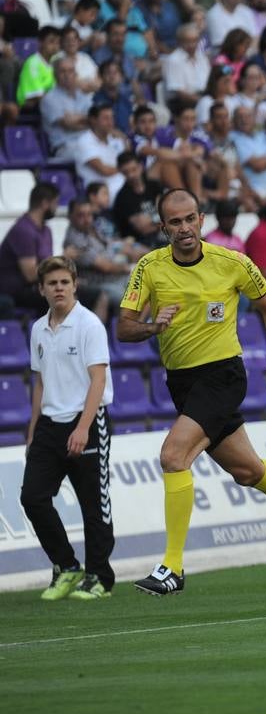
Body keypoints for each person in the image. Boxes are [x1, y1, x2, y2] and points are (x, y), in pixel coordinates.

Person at [117, 189, 266, 596]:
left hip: (223, 375)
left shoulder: (233, 262)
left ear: (202, 219)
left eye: (190, 218)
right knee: (249, 471)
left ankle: (173, 566)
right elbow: (124, 327)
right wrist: (154, 327)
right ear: (163, 227)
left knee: (173, 457)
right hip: (182, 383)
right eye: (175, 222)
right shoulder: (149, 268)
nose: (184, 228)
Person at [22, 257, 115, 601]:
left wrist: (83, 428)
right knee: (32, 497)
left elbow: (98, 379)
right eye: (52, 283)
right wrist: (33, 432)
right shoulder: (38, 329)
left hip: (86, 421)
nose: (59, 288)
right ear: (42, 289)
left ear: (75, 285)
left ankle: (100, 578)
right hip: (49, 425)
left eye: (64, 282)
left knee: (94, 505)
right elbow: (40, 383)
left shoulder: (89, 325)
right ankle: (66, 566)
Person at [63, 196, 133, 312]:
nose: (87, 219)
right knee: (134, 300)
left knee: (152, 285)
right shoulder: (74, 239)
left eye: (89, 214)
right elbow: (106, 267)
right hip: (98, 284)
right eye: (81, 215)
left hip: (115, 277)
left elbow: (110, 246)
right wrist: (130, 268)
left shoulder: (91, 230)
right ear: (70, 217)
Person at [0, 182, 59, 314]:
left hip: (35, 287)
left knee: (74, 292)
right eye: (55, 203)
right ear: (45, 204)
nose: (57, 207)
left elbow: (47, 265)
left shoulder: (46, 230)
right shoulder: (23, 230)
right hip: (14, 290)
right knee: (59, 297)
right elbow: (31, 274)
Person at [74, 103, 128, 201]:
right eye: (106, 118)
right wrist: (127, 169)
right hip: (103, 191)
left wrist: (124, 139)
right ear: (93, 120)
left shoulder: (114, 139)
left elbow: (129, 159)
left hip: (124, 184)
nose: (110, 122)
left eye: (112, 118)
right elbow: (104, 170)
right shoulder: (84, 141)